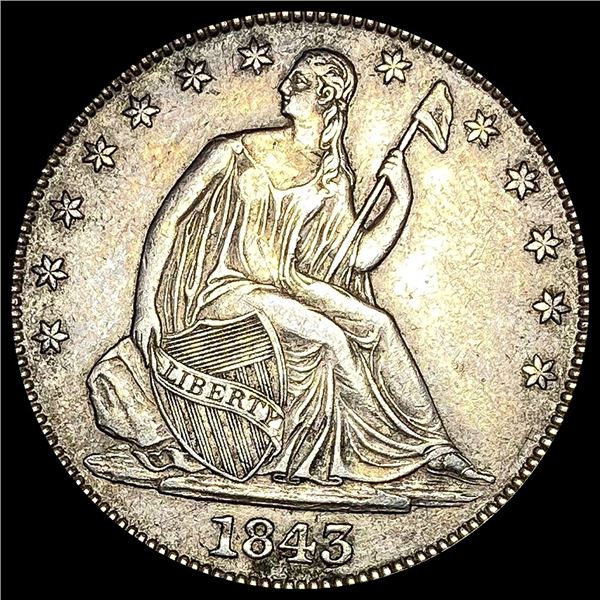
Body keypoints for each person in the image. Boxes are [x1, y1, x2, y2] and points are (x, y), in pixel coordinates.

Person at [88, 48, 494, 486]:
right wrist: (144, 308)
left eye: (298, 82)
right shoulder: (232, 151)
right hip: (226, 290)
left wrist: (401, 199)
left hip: (290, 284)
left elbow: (358, 256)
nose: (283, 87)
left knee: (379, 325)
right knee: (330, 335)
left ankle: (436, 447)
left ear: (327, 97)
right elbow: (167, 222)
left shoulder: (334, 176)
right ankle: (388, 451)